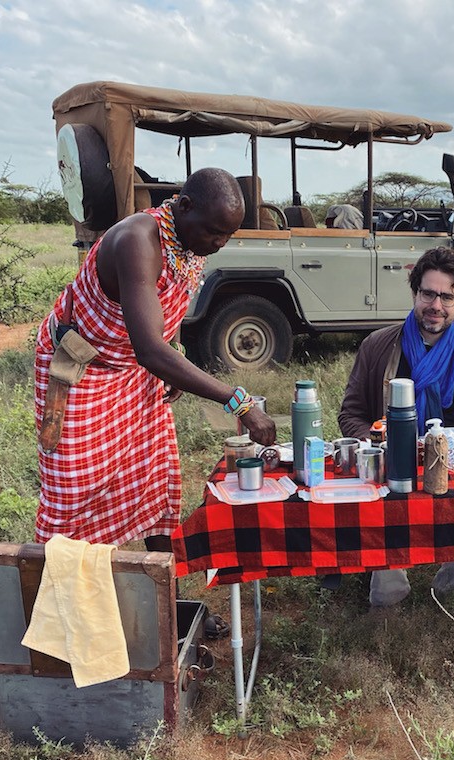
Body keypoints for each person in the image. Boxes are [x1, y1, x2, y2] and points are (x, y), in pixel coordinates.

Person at [34, 167, 276, 552]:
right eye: (213, 232)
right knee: (75, 488)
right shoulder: (137, 241)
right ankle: (59, 599)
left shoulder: (187, 240)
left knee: (152, 477)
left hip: (134, 371)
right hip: (83, 370)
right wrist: (239, 401)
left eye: (227, 235)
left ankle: (166, 602)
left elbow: (168, 305)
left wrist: (175, 353)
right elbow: (149, 349)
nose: (219, 243)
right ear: (184, 206)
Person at [339, 246, 454, 605]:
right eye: (429, 293)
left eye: (447, 296)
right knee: (387, 499)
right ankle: (388, 596)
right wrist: (376, 442)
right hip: (394, 462)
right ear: (415, 293)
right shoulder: (378, 346)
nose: (437, 305)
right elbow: (351, 413)